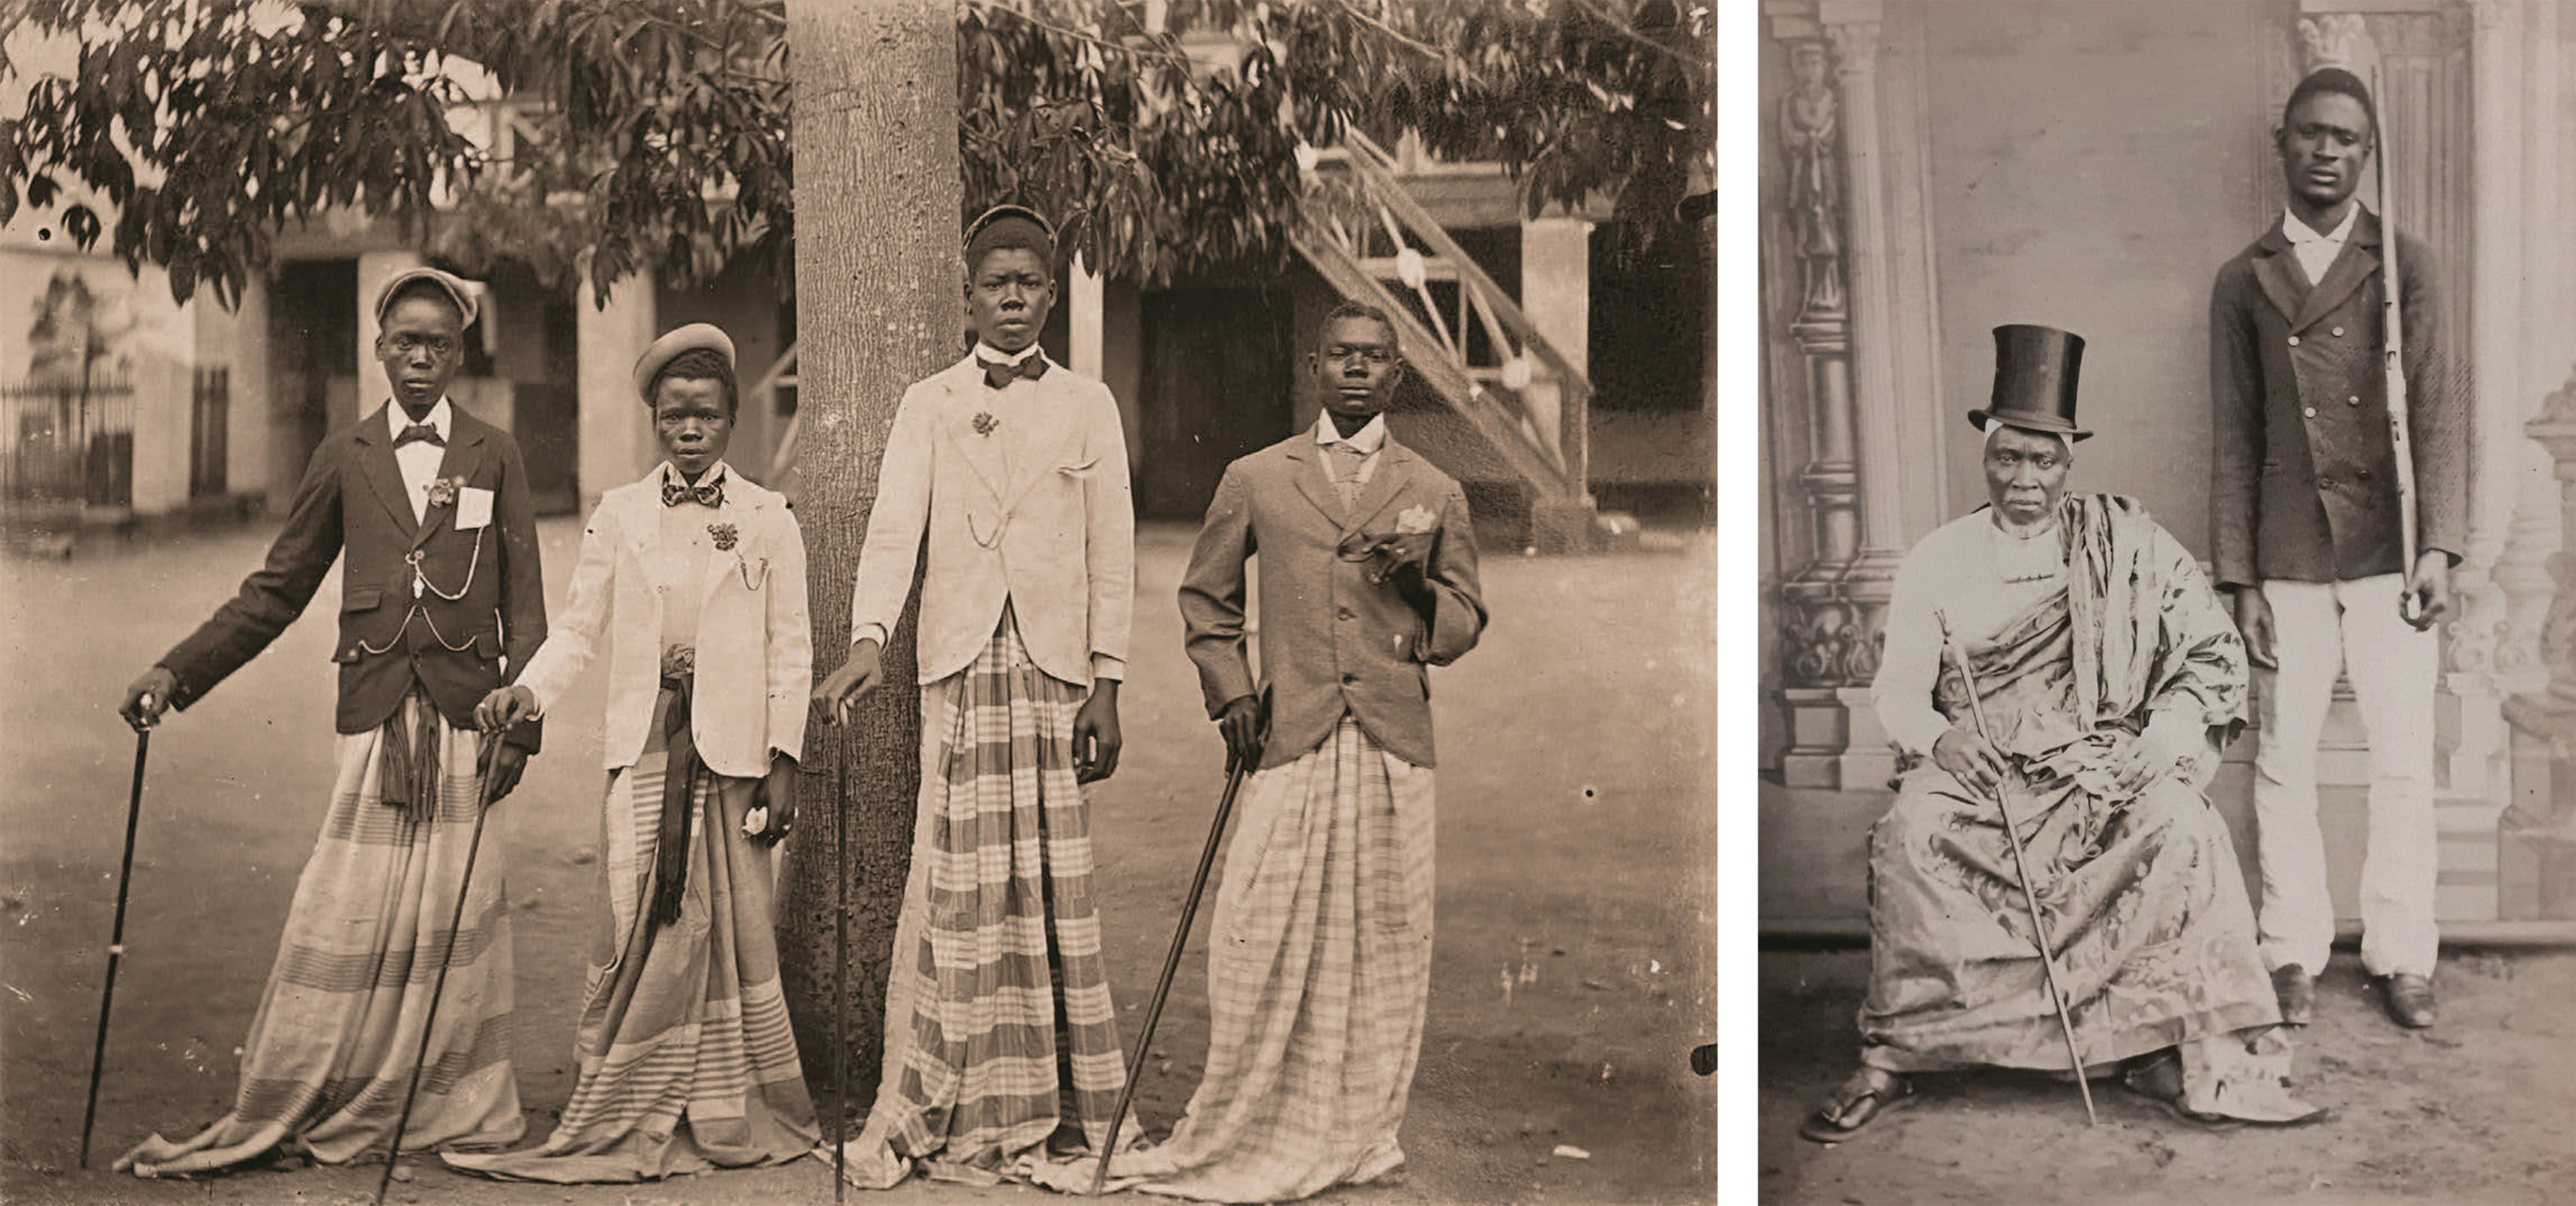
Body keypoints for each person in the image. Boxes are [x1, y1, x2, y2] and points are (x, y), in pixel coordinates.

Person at [1801, 325, 2325, 1144]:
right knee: (1913, 831)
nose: (2024, 480)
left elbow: (2211, 648)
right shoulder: (1937, 560)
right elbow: (1898, 690)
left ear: (2067, 465)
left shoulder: (2128, 546)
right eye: (2008, 458)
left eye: (2043, 462)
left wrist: (2164, 734)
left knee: (2183, 824)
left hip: (2101, 759)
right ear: (1985, 455)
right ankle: (1898, 1054)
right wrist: (1940, 739)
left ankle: (2157, 1045)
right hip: (1982, 766)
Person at [113, 267, 545, 1175]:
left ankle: (442, 1095)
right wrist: (175, 669)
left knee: (453, 918)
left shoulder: (495, 452)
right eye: (404, 342)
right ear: (378, 348)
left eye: (437, 343)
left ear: (461, 351)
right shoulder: (344, 453)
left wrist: (523, 725)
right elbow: (274, 591)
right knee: (343, 908)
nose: (420, 359)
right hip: (378, 714)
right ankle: (333, 1078)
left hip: (470, 721)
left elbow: (527, 605)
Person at [1078, 299, 1485, 1201]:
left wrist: (1417, 588)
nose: (1355, 369)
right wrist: (1231, 695)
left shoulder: (1432, 488)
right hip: (1289, 731)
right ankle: (1257, 1116)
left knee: (1384, 937)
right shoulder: (1258, 476)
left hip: (1389, 745)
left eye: (1373, 358)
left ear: (1395, 374)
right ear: (1315, 365)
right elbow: (1207, 603)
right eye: (1339, 354)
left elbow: (1463, 621)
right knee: (1253, 932)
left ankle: (1356, 1127)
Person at [442, 324, 818, 1183]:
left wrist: (784, 755)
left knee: (729, 921)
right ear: (655, 421)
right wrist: (527, 690)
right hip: (645, 744)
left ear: (731, 422)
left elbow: (791, 644)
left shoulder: (768, 518)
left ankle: (723, 1093)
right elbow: (579, 628)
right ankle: (628, 1088)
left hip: (730, 754)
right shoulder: (621, 513)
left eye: (708, 416)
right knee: (637, 911)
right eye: (675, 416)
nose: (691, 431)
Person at [811, 204, 1135, 1189]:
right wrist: (870, 638)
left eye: (1028, 283)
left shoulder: (1089, 404)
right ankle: (951, 1085)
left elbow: (1110, 547)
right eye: (994, 282)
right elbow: (894, 525)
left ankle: (1055, 1095)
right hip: (957, 659)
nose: (1010, 297)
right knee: (960, 877)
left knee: (1045, 875)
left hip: (1052, 669)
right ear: (966, 296)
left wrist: (1108, 679)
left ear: (1049, 294)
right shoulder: (931, 401)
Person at [2209, 67, 2466, 1030]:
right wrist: (2237, 574)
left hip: (2390, 550)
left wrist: (2438, 546)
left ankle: (2404, 953)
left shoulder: (2406, 264)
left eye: (2347, 139)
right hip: (2288, 552)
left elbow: (2440, 417)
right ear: (2282, 143)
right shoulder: (2244, 278)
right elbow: (2235, 433)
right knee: (2285, 758)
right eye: (2312, 134)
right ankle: (2291, 950)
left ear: (2368, 154)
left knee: (2403, 759)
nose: (2328, 152)